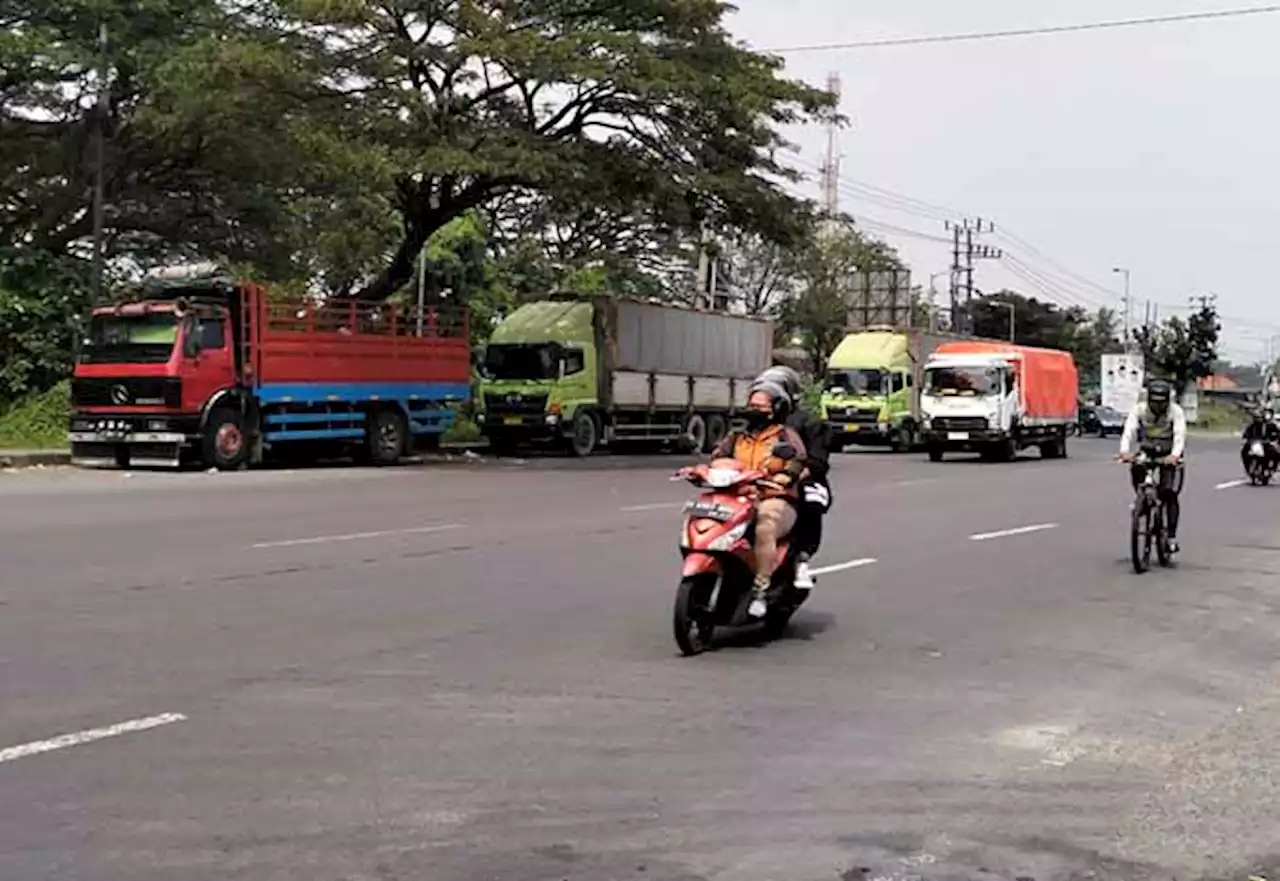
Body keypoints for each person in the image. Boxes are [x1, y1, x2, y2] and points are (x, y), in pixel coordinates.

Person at [710, 380, 808, 617]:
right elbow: (718, 457)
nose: (754, 410)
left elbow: (798, 459)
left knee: (765, 524)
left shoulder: (785, 435)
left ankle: (760, 590)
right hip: (739, 497)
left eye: (761, 406)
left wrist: (786, 475)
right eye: (751, 404)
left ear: (776, 409)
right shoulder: (737, 436)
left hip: (774, 497)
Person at [754, 365, 831, 589]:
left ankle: (802, 559)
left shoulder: (810, 424)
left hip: (802, 479)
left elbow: (817, 463)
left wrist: (791, 476)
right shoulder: (754, 424)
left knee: (811, 500)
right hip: (760, 478)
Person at [1117, 379, 1186, 553]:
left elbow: (1180, 435)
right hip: (1148, 449)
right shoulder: (1139, 410)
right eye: (1154, 402)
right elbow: (1128, 431)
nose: (1157, 406)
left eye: (1161, 403)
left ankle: (1170, 536)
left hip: (1169, 453)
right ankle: (1142, 501)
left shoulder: (1175, 412)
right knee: (1137, 467)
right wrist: (1125, 452)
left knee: (1169, 493)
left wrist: (1174, 456)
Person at [1241, 406, 1280, 472]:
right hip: (1254, 442)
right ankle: (1247, 467)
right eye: (1256, 418)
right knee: (1244, 451)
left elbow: (1277, 433)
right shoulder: (1252, 426)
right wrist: (1246, 437)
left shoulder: (1270, 425)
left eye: (1259, 417)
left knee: (1276, 452)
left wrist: (1274, 439)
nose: (1258, 419)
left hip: (1266, 442)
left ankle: (1273, 467)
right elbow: (1246, 434)